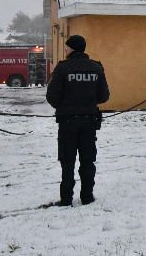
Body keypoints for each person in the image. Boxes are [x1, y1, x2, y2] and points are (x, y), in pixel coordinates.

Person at [46, 35, 110, 206]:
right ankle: (87, 196)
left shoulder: (62, 68)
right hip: (89, 121)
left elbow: (52, 97)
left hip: (67, 122)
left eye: (67, 47)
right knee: (87, 160)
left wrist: (65, 104)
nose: (65, 50)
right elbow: (104, 96)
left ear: (71, 49)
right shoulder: (96, 68)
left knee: (68, 161)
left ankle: (66, 198)